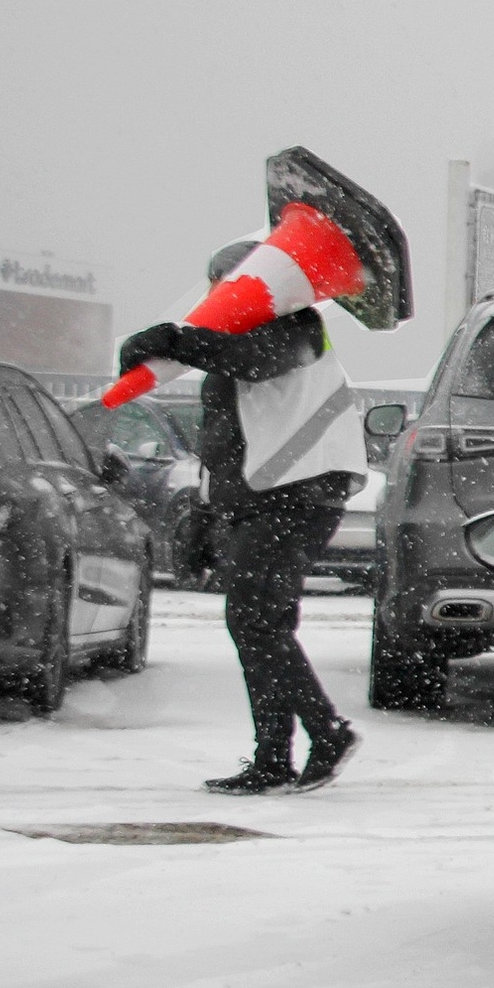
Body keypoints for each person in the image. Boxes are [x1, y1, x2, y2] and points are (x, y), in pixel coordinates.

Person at [118, 238, 368, 794]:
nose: (220, 296)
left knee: (256, 622)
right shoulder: (245, 335)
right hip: (265, 499)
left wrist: (178, 340)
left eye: (227, 285)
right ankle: (277, 758)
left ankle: (324, 734)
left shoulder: (296, 326)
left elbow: (249, 360)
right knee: (262, 624)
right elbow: (230, 433)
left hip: (297, 495)